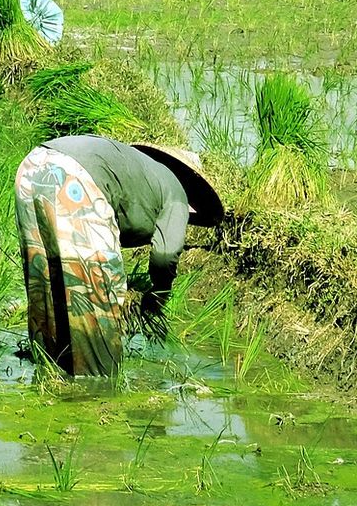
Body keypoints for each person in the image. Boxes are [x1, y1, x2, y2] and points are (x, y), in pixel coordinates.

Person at [14, 135, 224, 377]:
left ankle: (47, 371)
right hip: (77, 179)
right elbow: (165, 255)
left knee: (46, 284)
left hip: (32, 165)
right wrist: (159, 294)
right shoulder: (177, 193)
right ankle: (97, 385)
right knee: (96, 302)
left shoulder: (142, 171)